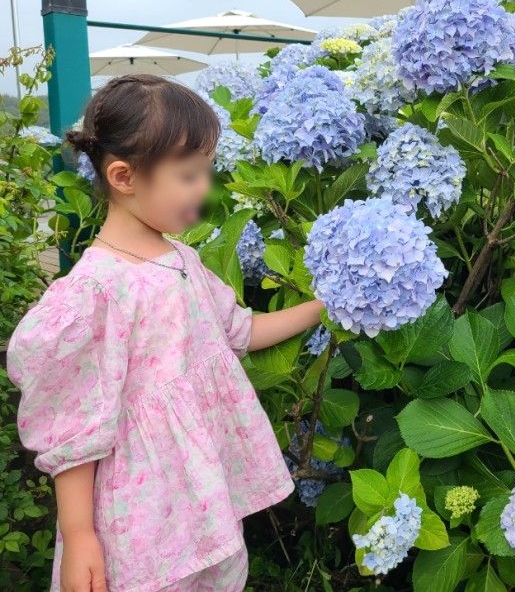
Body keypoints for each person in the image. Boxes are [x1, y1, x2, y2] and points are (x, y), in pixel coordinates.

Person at [7, 74, 326, 592]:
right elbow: (75, 427)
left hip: (203, 499)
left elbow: (238, 331)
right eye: (188, 174)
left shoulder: (183, 259)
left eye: (206, 171)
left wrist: (324, 305)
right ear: (124, 177)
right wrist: (80, 533)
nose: (205, 187)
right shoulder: (95, 293)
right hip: (140, 521)